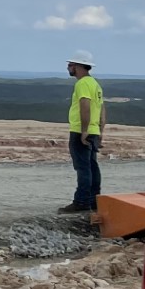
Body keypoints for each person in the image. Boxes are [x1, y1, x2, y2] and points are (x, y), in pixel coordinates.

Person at [59, 50, 105, 215]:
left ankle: (81, 202)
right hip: (93, 130)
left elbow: (85, 105)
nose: (68, 67)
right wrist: (100, 131)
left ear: (78, 66)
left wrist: (84, 130)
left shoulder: (82, 84)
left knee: (83, 167)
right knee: (92, 166)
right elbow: (101, 109)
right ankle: (94, 201)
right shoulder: (95, 84)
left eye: (70, 65)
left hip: (80, 130)